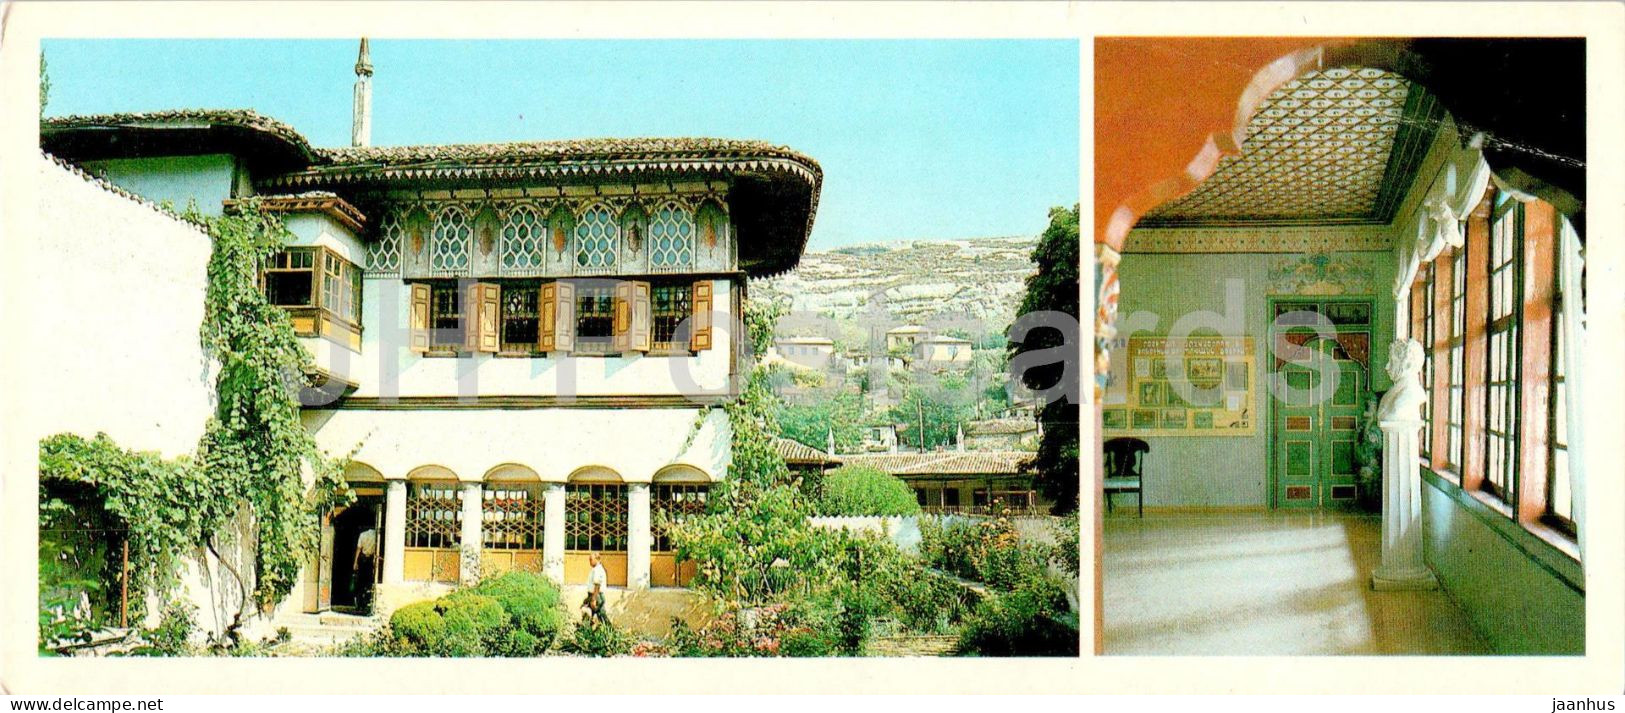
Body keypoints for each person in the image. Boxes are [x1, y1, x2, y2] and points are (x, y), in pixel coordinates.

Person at [352, 525, 378, 614]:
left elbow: (358, 549)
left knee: (360, 582)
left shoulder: (362, 535)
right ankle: (366, 604)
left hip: (362, 560)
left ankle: (359, 605)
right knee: (369, 581)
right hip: (371, 560)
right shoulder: (376, 535)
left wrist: (355, 562)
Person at [581, 552, 610, 624]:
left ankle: (610, 631)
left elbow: (597, 585)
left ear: (597, 559)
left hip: (597, 596)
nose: (590, 562)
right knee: (588, 614)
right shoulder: (595, 569)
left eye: (591, 560)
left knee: (601, 616)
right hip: (593, 595)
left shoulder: (598, 570)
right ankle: (587, 631)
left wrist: (593, 599)